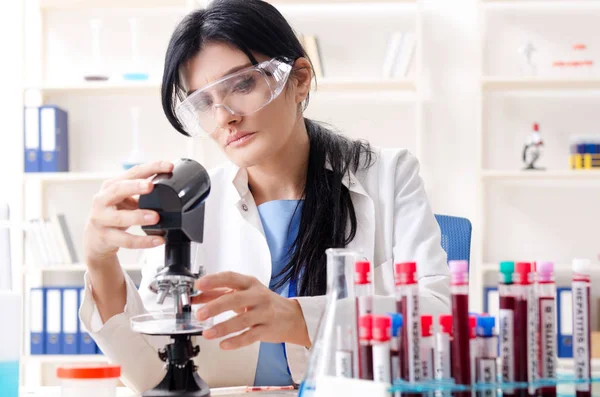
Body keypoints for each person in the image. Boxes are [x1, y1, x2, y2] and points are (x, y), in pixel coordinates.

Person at [80, 0, 450, 393]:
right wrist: (100, 262)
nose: (225, 117)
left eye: (242, 84)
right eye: (203, 102)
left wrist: (296, 317)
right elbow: (149, 374)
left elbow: (438, 319)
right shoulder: (190, 199)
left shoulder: (388, 177)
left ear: (300, 79)